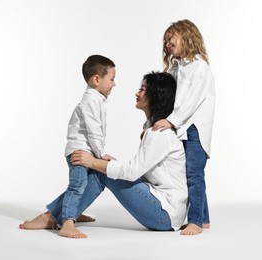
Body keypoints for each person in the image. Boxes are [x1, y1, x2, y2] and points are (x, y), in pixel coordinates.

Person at [19, 72, 188, 238]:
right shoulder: (153, 130)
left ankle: (52, 217)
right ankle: (67, 213)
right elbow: (137, 171)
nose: (137, 93)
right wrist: (103, 164)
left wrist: (93, 162)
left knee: (101, 171)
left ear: (155, 96)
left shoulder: (159, 134)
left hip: (164, 215)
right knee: (104, 168)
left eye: (142, 89)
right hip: (164, 211)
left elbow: (132, 172)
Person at [19, 54, 116, 239]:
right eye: (111, 79)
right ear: (96, 79)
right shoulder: (91, 100)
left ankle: (72, 211)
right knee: (78, 184)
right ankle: (67, 222)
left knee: (87, 183)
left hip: (87, 150)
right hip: (80, 151)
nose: (114, 83)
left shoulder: (98, 99)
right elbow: (94, 131)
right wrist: (100, 155)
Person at [152, 19, 216, 235]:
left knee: (193, 174)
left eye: (171, 39)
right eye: (166, 41)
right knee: (188, 172)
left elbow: (191, 101)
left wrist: (171, 121)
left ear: (187, 36)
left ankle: (196, 220)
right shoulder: (177, 68)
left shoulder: (199, 67)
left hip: (194, 127)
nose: (168, 44)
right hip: (181, 126)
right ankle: (204, 218)